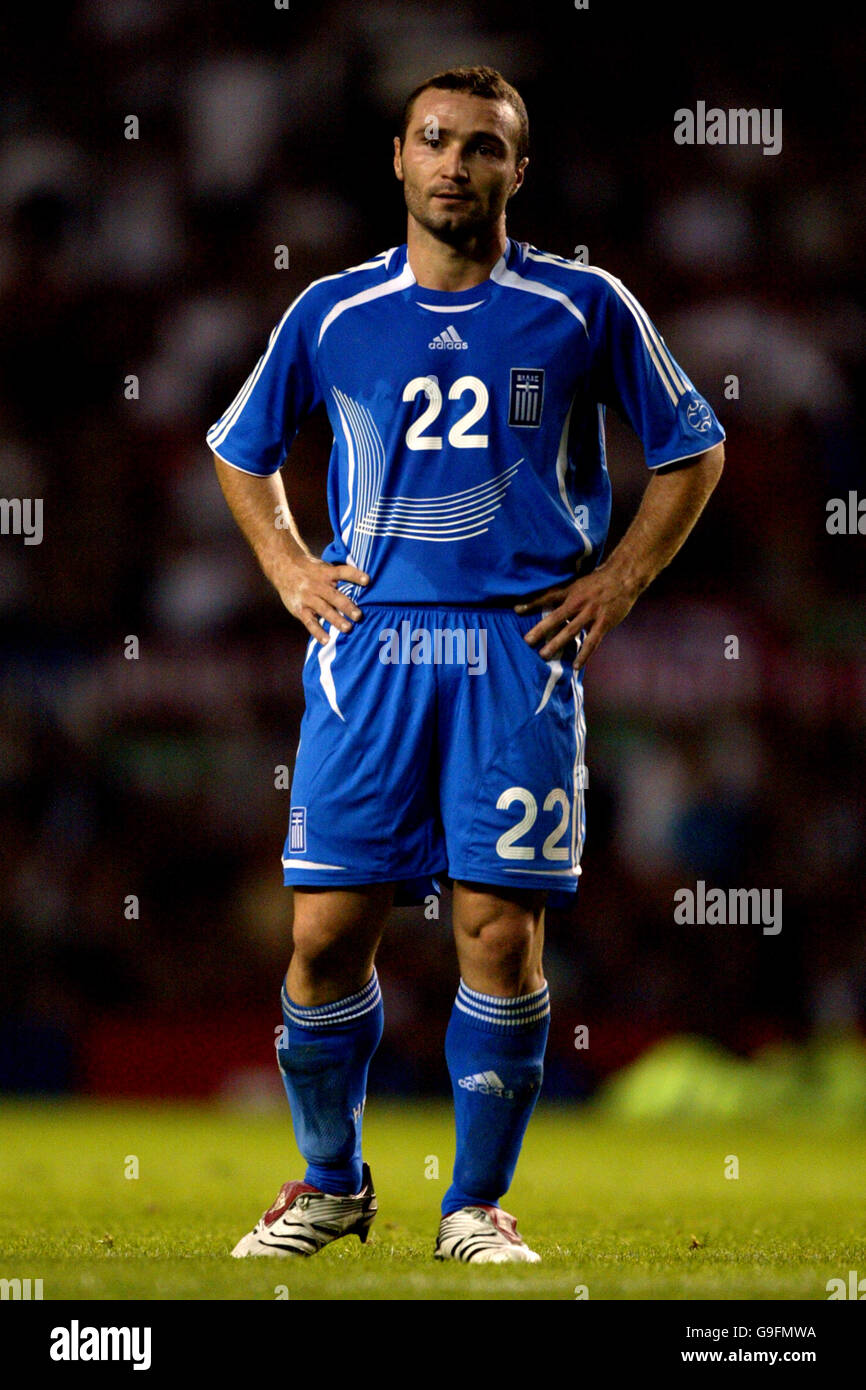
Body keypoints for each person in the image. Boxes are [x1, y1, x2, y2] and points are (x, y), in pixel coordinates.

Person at [207, 65, 725, 1263]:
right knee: (327, 933)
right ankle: (331, 1186)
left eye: (482, 147)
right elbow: (241, 447)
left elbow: (691, 449)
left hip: (515, 649)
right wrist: (290, 569)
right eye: (435, 141)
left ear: (516, 172)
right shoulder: (331, 313)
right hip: (369, 645)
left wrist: (618, 579)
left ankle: (473, 1207)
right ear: (397, 158)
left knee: (496, 936)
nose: (456, 163)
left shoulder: (583, 305)